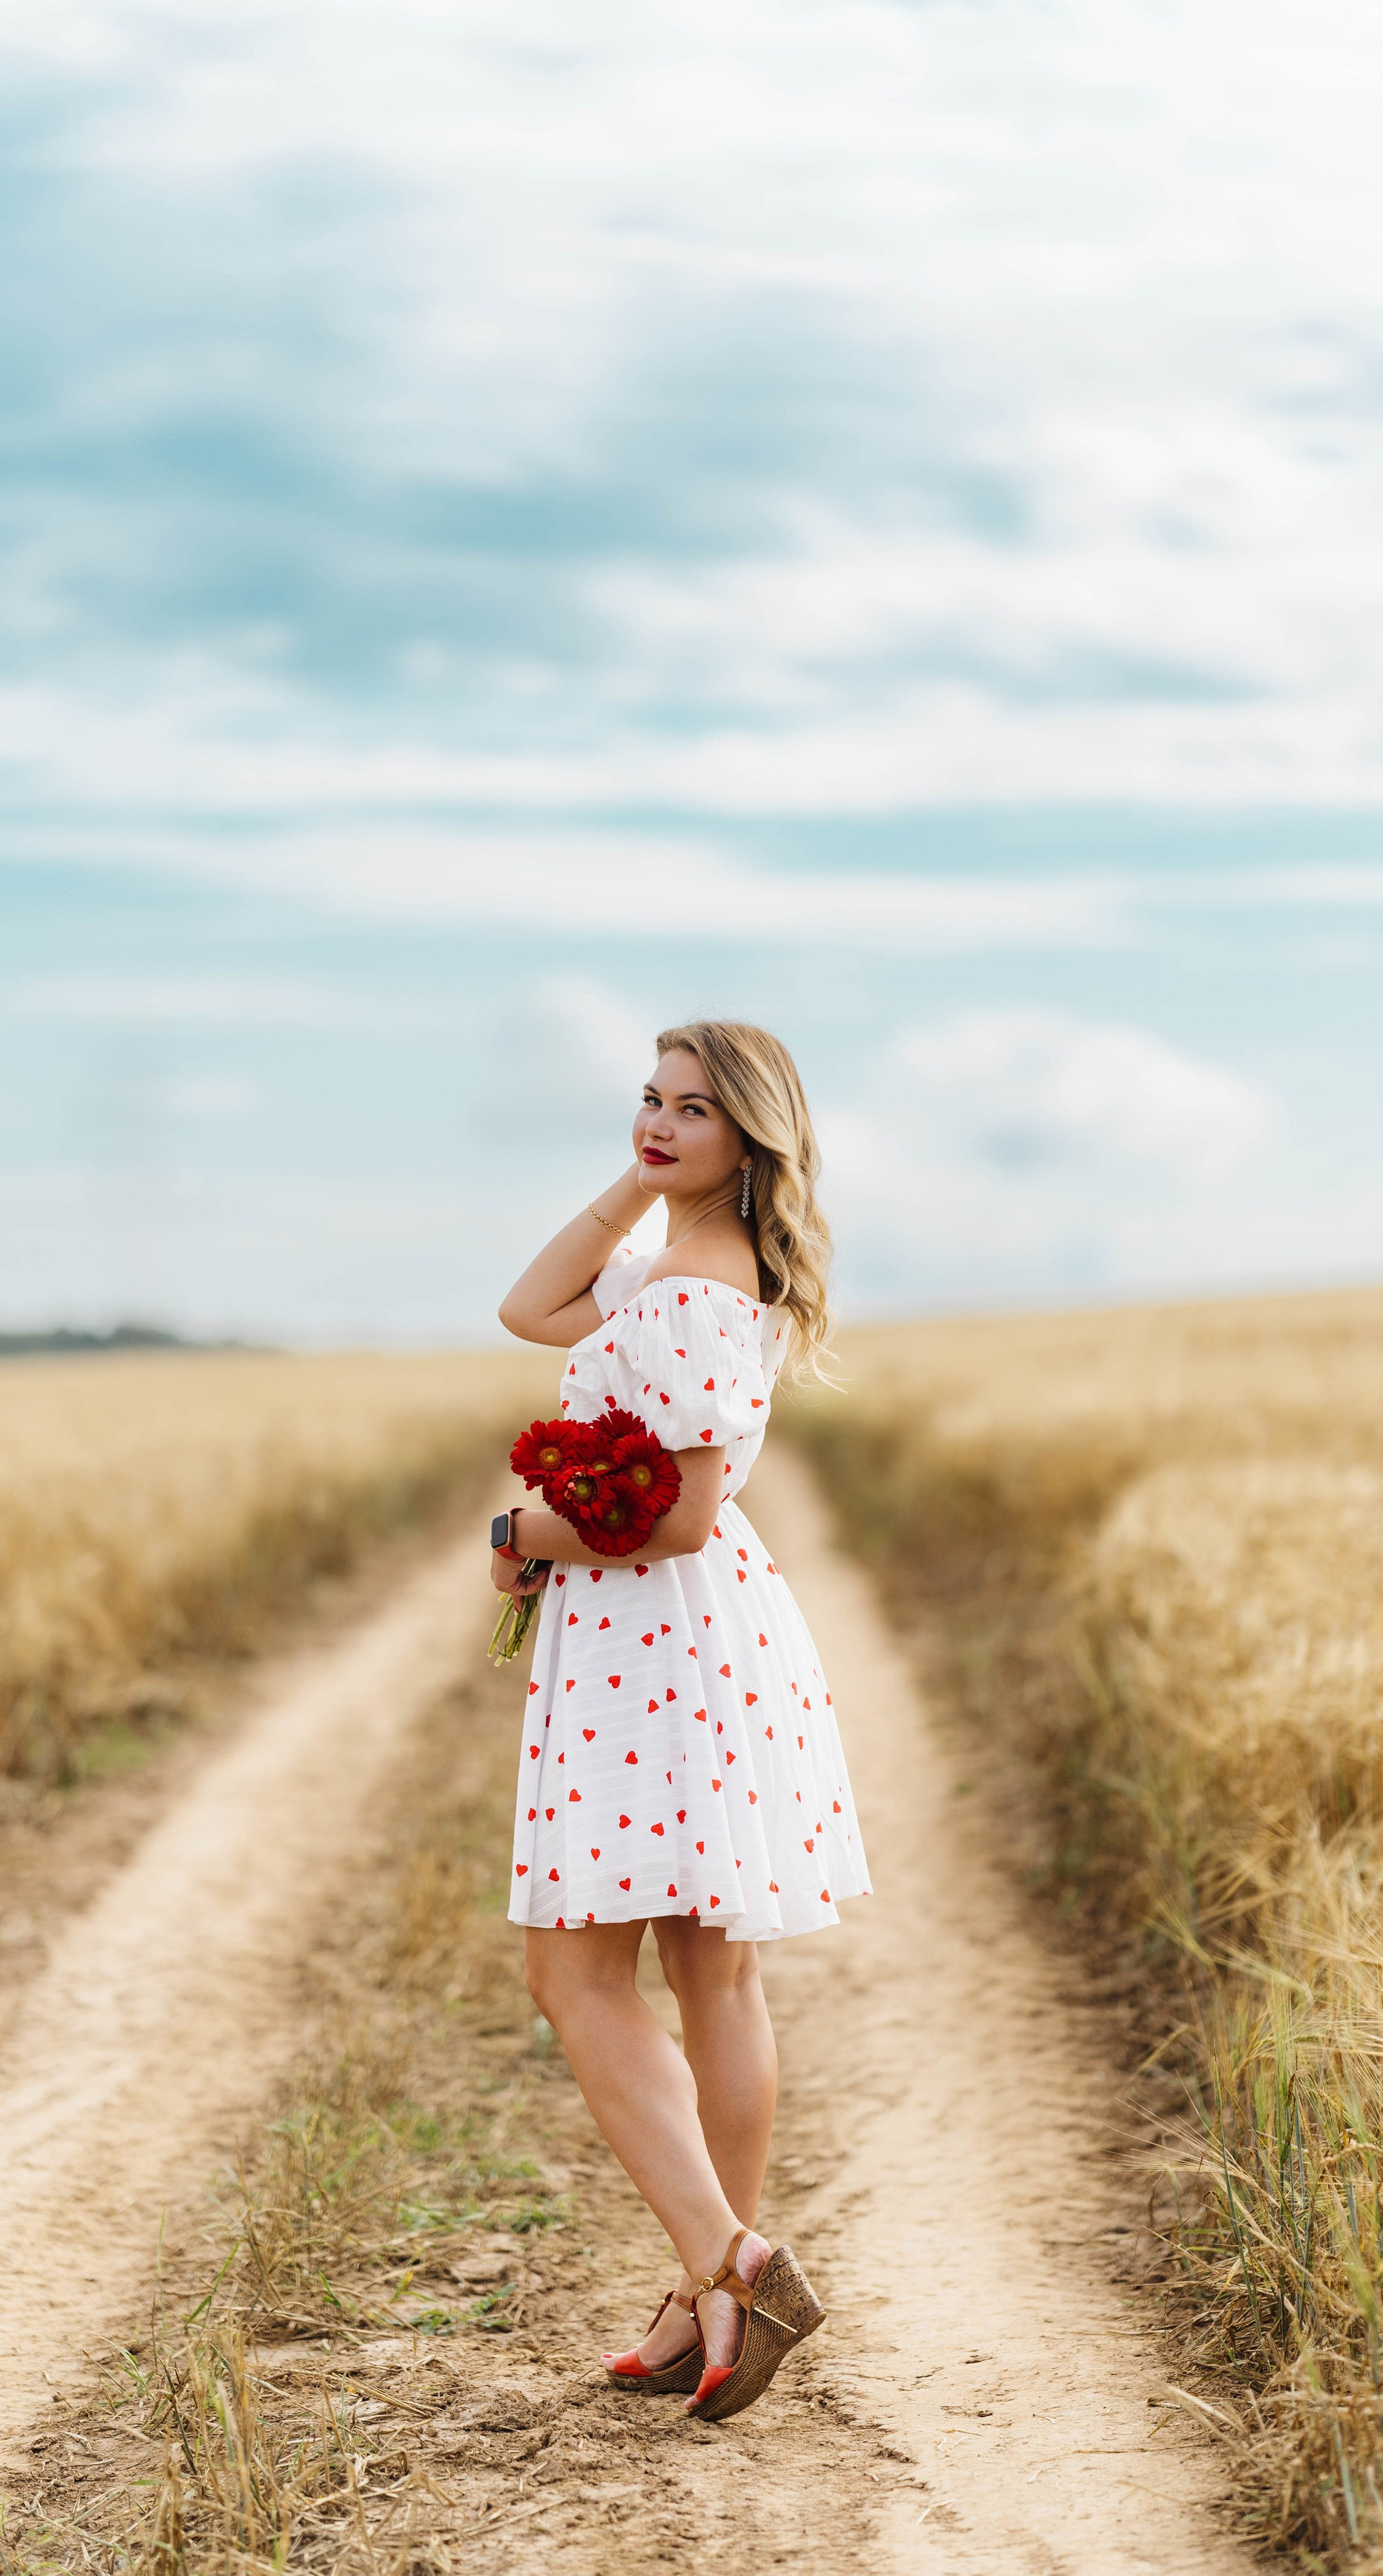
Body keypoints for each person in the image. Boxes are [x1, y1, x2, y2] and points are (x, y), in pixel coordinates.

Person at [491, 1018, 871, 2425]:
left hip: (657, 1654)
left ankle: (733, 2259)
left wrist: (521, 1522)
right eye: (645, 1102)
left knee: (574, 1979)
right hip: (676, 1646)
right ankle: (700, 2299)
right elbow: (529, 1308)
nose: (654, 1124)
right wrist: (634, 1192)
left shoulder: (695, 1297)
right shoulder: (683, 1267)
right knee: (711, 1980)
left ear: (750, 1136)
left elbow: (686, 1509)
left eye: (690, 1112)